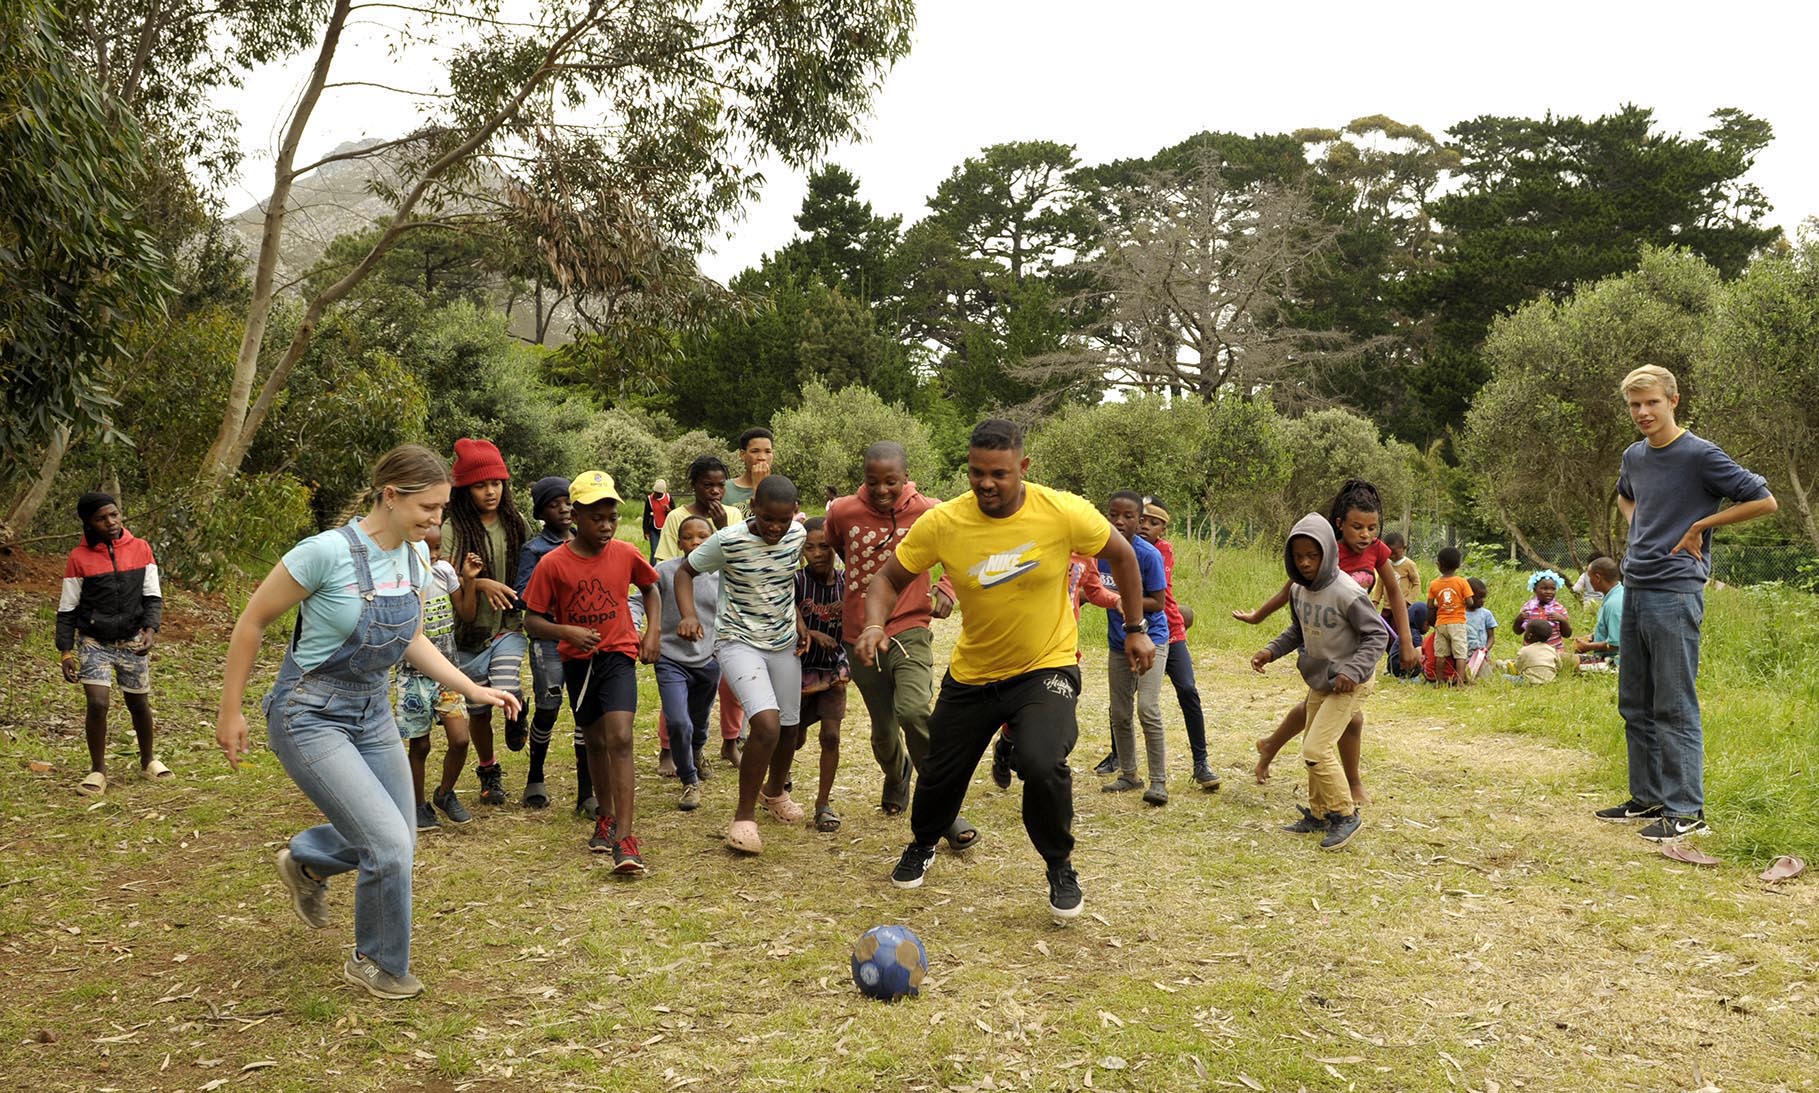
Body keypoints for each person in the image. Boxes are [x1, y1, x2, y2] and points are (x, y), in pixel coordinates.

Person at [215, 445, 520, 1000]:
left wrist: (471, 688)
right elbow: (252, 621)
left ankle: (308, 863)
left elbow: (411, 638)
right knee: (389, 844)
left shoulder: (415, 556)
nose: (437, 520)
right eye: (428, 508)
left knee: (398, 836)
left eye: (442, 508)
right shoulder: (323, 553)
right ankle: (375, 961)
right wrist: (230, 710)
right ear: (391, 496)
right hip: (309, 714)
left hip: (372, 709)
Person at [859, 419, 1155, 923]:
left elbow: (1123, 556)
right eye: (977, 473)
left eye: (998, 473)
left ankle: (1060, 866)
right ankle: (924, 842)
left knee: (1042, 761)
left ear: (1023, 467)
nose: (986, 484)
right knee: (940, 772)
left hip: (1046, 665)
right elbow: (888, 578)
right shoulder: (945, 521)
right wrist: (873, 624)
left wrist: (1134, 628)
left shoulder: (1061, 511)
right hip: (974, 674)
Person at [1596, 365, 1776, 840]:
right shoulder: (1634, 456)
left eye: (1652, 402)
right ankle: (1648, 798)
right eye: (1635, 405)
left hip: (1675, 592)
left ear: (1673, 401)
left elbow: (1764, 501)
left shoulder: (1700, 455)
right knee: (1635, 702)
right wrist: (1641, 526)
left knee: (1673, 704)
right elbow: (1626, 497)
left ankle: (1687, 812)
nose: (1643, 412)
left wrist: (1700, 526)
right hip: (1635, 586)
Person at [521, 471, 662, 874]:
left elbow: (651, 588)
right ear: (575, 516)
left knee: (621, 738)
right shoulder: (552, 564)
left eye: (612, 518)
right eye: (596, 518)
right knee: (596, 742)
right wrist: (566, 631)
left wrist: (651, 633)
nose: (605, 526)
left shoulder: (625, 553)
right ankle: (606, 815)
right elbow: (532, 620)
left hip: (618, 654)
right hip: (578, 663)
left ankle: (626, 839)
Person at [823, 441, 961, 826]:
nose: (882, 490)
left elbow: (959, 547)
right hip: (859, 634)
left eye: (891, 482)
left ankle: (939, 797)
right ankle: (898, 773)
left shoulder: (930, 511)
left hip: (910, 626)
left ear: (906, 477)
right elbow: (838, 545)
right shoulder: (843, 511)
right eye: (873, 482)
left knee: (914, 710)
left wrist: (947, 587)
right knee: (883, 733)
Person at [1246, 482, 1412, 800]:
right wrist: (1259, 620)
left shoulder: (1376, 550)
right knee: (1323, 715)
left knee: (1342, 718)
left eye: (1372, 528)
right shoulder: (1321, 552)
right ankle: (1334, 794)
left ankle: (1344, 788)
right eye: (1357, 527)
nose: (1365, 535)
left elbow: (1394, 591)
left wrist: (1405, 641)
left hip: (1355, 648)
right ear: (1340, 525)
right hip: (1326, 645)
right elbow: (1290, 594)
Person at [675, 475, 811, 855]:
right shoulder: (728, 540)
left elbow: (783, 582)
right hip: (737, 640)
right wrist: (688, 614)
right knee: (765, 724)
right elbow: (685, 571)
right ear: (754, 509)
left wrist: (799, 620)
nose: (774, 528)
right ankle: (743, 818)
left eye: (783, 520)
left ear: (795, 513)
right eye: (767, 519)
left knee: (790, 726)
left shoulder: (797, 536)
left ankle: (775, 793)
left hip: (783, 642)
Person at [1249, 513, 1387, 851]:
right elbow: (1298, 630)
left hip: (1350, 682)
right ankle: (1320, 813)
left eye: (1313, 555)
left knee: (1316, 748)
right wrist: (1271, 651)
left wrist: (1352, 671)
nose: (1306, 563)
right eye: (1299, 557)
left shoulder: (1347, 592)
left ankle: (1345, 814)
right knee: (1312, 742)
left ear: (1328, 552)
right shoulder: (1299, 590)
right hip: (1321, 678)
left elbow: (1377, 635)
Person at [441, 438, 530, 806]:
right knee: (478, 710)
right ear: (465, 490)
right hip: (469, 633)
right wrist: (480, 583)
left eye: (496, 483)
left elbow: (531, 568)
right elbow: (446, 579)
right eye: (480, 485)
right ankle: (489, 770)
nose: (490, 491)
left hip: (508, 627)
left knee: (506, 686)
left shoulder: (515, 522)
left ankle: (516, 712)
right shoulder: (453, 528)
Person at [58, 492, 164, 796]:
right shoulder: (79, 558)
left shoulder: (141, 548)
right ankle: (98, 770)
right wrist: (66, 651)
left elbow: (152, 596)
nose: (111, 522)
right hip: (94, 642)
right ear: (88, 523)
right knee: (97, 703)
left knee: (138, 703)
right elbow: (67, 609)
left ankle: (148, 761)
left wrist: (150, 630)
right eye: (101, 518)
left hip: (132, 640)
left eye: (114, 515)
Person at [655, 455, 746, 771]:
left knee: (731, 685)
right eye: (708, 485)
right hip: (683, 611)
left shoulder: (732, 515)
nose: (715, 491)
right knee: (677, 689)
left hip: (720, 614)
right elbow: (669, 565)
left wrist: (723, 529)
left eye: (721, 485)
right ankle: (669, 749)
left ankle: (730, 741)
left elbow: (739, 559)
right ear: (694, 485)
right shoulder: (676, 517)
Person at [1096, 491, 1174, 805]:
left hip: (1151, 639)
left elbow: (1158, 602)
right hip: (1118, 643)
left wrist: (1122, 600)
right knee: (1119, 712)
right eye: (1114, 515)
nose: (1119, 522)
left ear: (1138, 520)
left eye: (1128, 516)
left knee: (1147, 709)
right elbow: (1091, 589)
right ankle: (1129, 774)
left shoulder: (1148, 555)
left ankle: (1158, 782)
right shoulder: (1099, 552)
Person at [1134, 498, 1218, 787]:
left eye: (1153, 522)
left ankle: (1201, 763)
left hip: (1169, 630)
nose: (1145, 526)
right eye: (1141, 519)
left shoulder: (1162, 551)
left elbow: (1155, 596)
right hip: (1136, 632)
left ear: (1164, 529)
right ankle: (1119, 757)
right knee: (1125, 696)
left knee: (1188, 689)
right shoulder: (1123, 548)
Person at [397, 525, 472, 831]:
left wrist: (471, 580)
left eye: (438, 548)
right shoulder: (401, 580)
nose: (434, 555)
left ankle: (444, 793)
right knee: (420, 745)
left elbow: (466, 612)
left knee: (461, 739)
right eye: (426, 549)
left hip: (447, 673)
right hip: (412, 676)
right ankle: (417, 806)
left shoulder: (444, 573)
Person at [514, 476, 580, 812]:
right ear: (541, 513)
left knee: (585, 711)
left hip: (584, 637)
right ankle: (535, 775)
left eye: (567, 502)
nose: (564, 509)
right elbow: (523, 595)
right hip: (548, 638)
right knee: (549, 706)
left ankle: (587, 788)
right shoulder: (535, 550)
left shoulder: (585, 540)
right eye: (555, 505)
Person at [654, 515, 722, 812]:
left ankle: (696, 752)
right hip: (670, 659)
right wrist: (641, 629)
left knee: (700, 719)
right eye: (688, 537)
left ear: (713, 540)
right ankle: (689, 780)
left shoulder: (721, 575)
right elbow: (639, 599)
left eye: (702, 537)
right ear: (679, 542)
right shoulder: (664, 572)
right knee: (678, 721)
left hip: (708, 660)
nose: (695, 542)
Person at [795, 516, 850, 832]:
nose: (817, 553)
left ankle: (823, 804)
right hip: (797, 670)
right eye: (809, 547)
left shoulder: (847, 584)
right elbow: (784, 617)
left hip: (833, 670)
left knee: (831, 736)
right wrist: (811, 634)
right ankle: (778, 782)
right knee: (793, 738)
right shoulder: (795, 582)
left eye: (824, 546)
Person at [1426, 546, 1473, 687]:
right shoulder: (1462, 582)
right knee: (1460, 653)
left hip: (1441, 623)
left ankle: (1439, 681)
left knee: (1440, 654)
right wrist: (1459, 603)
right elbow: (1470, 602)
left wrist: (1441, 604)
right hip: (1457, 622)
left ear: (1439, 565)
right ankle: (1460, 682)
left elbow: (1429, 605)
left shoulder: (1434, 584)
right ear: (1458, 565)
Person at [1574, 556, 1625, 668]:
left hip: (1614, 662)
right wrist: (1594, 636)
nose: (1589, 581)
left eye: (1590, 577)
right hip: (1610, 658)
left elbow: (1616, 644)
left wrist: (1588, 647)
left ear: (1597, 578)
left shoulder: (1614, 603)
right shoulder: (1617, 594)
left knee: (1568, 662)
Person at [1514, 570, 1574, 649]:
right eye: (1544, 588)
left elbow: (1567, 634)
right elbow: (1518, 632)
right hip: (1531, 650)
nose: (1549, 592)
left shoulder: (1559, 608)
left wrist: (1562, 620)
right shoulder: (1528, 608)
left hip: (1554, 650)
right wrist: (1519, 619)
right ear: (1535, 589)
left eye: (1553, 589)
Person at [722, 427, 775, 509]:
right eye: (755, 451)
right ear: (742, 454)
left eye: (768, 452)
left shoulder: (781, 489)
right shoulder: (724, 489)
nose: (762, 457)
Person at [1507, 619, 1567, 684]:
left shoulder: (1525, 650)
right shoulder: (1552, 650)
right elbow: (1559, 666)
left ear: (1529, 636)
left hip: (1529, 681)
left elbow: (1517, 667)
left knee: (1504, 676)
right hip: (1549, 680)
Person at [1463, 577, 1497, 681]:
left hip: (1480, 656)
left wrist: (1485, 649)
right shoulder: (1459, 613)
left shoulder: (1486, 614)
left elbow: (1491, 637)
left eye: (1484, 597)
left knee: (1485, 677)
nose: (1482, 601)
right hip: (1463, 656)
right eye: (1479, 598)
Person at [642, 478, 673, 563]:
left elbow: (674, 513)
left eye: (658, 493)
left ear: (663, 493)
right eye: (655, 492)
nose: (656, 495)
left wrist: (668, 510)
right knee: (654, 551)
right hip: (653, 529)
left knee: (666, 552)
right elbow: (646, 516)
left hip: (666, 529)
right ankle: (652, 569)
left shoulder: (668, 498)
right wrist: (645, 531)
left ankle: (665, 568)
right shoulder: (649, 499)